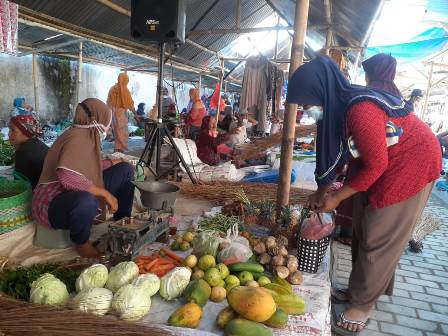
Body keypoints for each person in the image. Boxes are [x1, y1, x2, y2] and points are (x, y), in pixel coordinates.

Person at [286, 56, 441, 335]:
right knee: (361, 227)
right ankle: (362, 289)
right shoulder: (340, 108)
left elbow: (377, 165)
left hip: (412, 164)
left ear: (323, 91)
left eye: (309, 103)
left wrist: (336, 198)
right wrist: (324, 191)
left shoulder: (360, 109)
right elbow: (341, 153)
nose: (309, 110)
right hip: (386, 163)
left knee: (378, 234)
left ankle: (362, 306)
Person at [33, 98, 135, 258]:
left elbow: (84, 166)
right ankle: (82, 244)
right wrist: (105, 193)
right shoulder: (77, 138)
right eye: (105, 122)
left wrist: (111, 162)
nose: (105, 129)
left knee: (125, 170)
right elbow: (68, 177)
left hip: (69, 193)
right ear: (95, 120)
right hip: (52, 202)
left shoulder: (86, 136)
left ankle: (121, 225)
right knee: (86, 200)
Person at [8, 115, 48, 189]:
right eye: (9, 130)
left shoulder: (23, 152)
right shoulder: (37, 143)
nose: (9, 134)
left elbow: (21, 186)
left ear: (26, 132)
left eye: (13, 130)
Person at [107, 73, 136, 152]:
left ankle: (117, 150)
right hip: (121, 113)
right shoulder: (125, 91)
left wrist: (109, 114)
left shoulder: (112, 88)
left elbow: (108, 102)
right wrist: (136, 115)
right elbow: (131, 104)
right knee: (122, 133)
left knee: (116, 132)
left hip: (113, 112)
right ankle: (120, 150)